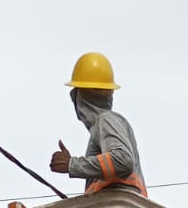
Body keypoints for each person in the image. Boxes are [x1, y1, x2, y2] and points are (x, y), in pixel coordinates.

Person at [50, 52, 146, 197]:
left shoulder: (106, 120)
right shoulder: (110, 123)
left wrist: (72, 164)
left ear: (79, 97)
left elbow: (123, 160)